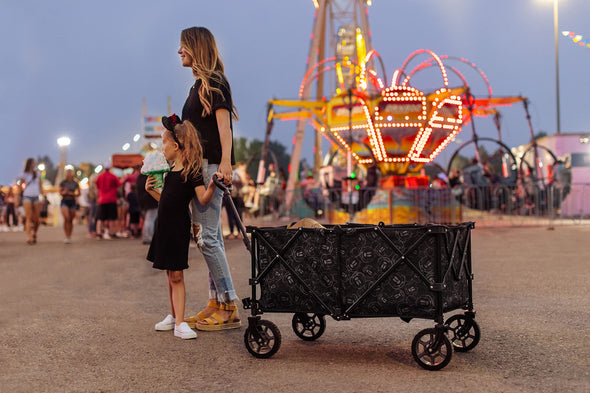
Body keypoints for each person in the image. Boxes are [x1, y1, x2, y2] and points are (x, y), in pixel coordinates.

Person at [178, 26, 241, 330]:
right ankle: (215, 302)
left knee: (209, 238)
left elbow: (224, 126)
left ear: (195, 47)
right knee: (206, 238)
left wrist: (226, 163)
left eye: (183, 46)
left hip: (211, 166)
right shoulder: (199, 86)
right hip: (198, 165)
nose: (179, 51)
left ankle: (228, 304)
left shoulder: (215, 82)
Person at [146, 115, 217, 340]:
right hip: (164, 227)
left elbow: (202, 200)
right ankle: (174, 314)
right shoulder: (169, 171)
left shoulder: (191, 172)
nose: (162, 148)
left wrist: (213, 185)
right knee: (169, 273)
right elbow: (166, 201)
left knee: (177, 275)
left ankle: (180, 322)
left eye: (164, 143)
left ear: (176, 146)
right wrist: (151, 191)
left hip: (177, 227)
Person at [18, 158, 43, 244]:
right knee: (28, 217)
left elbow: (41, 186)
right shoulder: (24, 174)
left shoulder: (38, 174)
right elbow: (19, 186)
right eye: (33, 163)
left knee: (36, 219)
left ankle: (34, 233)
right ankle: (28, 237)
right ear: (29, 164)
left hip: (36, 197)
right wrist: (17, 198)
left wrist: (42, 197)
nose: (34, 165)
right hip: (27, 196)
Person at [95, 163, 121, 240]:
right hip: (112, 199)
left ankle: (98, 233)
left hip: (102, 200)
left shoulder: (100, 177)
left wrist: (98, 198)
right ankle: (111, 232)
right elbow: (119, 187)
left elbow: (97, 188)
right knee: (112, 218)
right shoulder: (113, 176)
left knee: (100, 218)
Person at [59, 168, 80, 244]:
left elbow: (79, 193)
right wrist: (64, 192)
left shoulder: (75, 183)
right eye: (67, 173)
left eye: (70, 172)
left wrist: (73, 194)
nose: (68, 174)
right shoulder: (63, 183)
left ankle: (69, 236)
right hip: (64, 201)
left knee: (71, 219)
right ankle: (66, 235)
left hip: (72, 201)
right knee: (67, 218)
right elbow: (60, 192)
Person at [136, 172, 158, 245]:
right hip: (151, 201)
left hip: (143, 202)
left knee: (148, 219)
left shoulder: (139, 177)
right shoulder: (150, 176)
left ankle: (147, 237)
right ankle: (148, 237)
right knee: (150, 220)